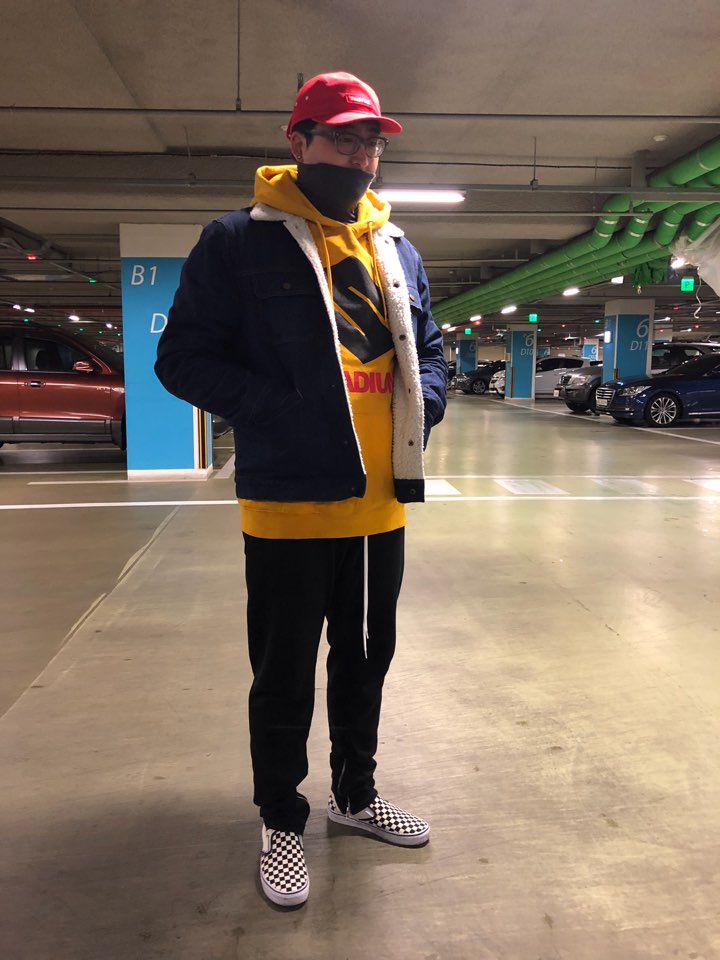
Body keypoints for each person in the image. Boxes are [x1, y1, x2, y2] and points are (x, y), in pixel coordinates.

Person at [155, 71, 447, 908]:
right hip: (289, 503)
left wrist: (424, 406)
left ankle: (355, 795)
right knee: (284, 674)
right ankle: (281, 818)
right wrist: (280, 410)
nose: (361, 156)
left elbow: (429, 348)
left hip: (381, 504)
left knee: (366, 661)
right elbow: (181, 360)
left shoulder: (396, 248)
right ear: (299, 141)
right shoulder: (236, 242)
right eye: (344, 139)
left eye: (372, 143)